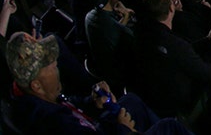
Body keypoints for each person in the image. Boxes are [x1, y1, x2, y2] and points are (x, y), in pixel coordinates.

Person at [5, 31, 191, 134]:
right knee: (170, 126)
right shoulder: (51, 123)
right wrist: (122, 128)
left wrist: (92, 102)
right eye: (51, 66)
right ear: (36, 85)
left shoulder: (36, 97)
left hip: (96, 124)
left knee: (131, 101)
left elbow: (68, 104)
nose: (56, 65)